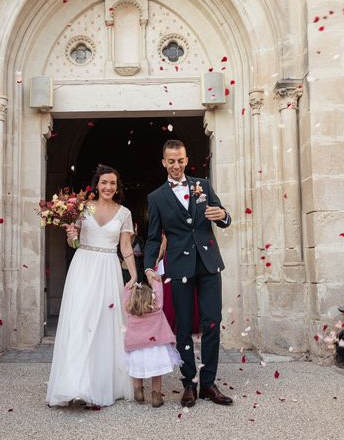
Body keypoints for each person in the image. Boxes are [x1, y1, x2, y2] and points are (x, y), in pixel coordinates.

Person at [144, 139, 233, 408]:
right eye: (171, 161)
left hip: (208, 263)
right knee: (183, 326)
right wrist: (149, 267)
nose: (176, 165)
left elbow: (223, 218)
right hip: (179, 266)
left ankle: (207, 383)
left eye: (180, 160)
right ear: (163, 162)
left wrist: (223, 215)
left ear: (186, 159)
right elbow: (152, 238)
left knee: (212, 321)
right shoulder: (156, 198)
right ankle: (188, 383)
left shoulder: (202, 185)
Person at [46, 165, 137, 407]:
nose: (108, 187)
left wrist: (135, 275)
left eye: (113, 183)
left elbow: (125, 247)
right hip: (83, 266)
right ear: (96, 184)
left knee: (104, 326)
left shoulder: (124, 213)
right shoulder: (81, 208)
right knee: (80, 322)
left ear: (117, 187)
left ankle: (100, 384)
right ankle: (75, 386)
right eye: (104, 182)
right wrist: (70, 234)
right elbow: (75, 244)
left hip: (108, 267)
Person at [123, 275, 181, 407]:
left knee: (136, 371)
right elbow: (159, 290)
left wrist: (129, 284)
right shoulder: (157, 307)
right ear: (152, 297)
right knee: (157, 373)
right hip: (156, 349)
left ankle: (138, 392)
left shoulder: (130, 310)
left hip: (136, 349)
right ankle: (156, 396)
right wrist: (154, 279)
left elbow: (126, 295)